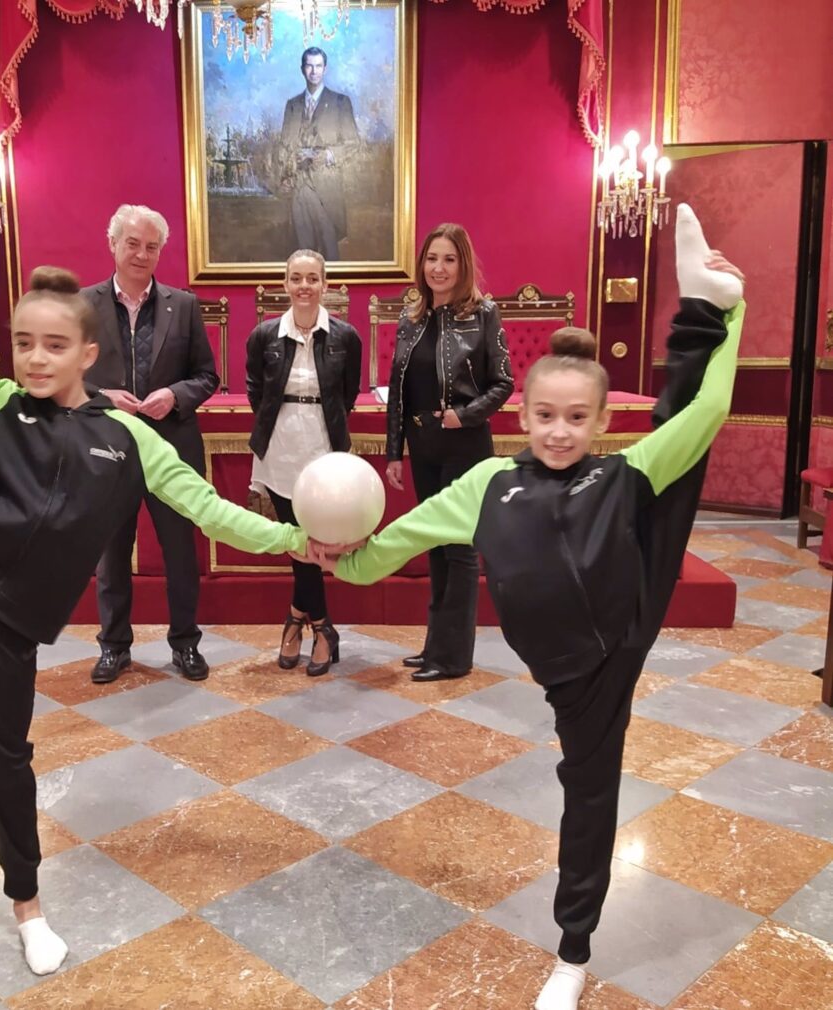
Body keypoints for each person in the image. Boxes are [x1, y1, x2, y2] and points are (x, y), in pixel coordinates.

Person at [0, 109, 309, 978]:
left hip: (11, 610)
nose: (34, 358)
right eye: (25, 342)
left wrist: (296, 537)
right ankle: (26, 905)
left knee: (14, 745)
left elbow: (212, 512)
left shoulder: (126, 437)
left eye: (52, 345)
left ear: (87, 351)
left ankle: (24, 895)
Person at [300, 204, 745, 1010]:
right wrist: (336, 557)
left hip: (616, 643)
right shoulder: (486, 485)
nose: (561, 431)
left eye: (579, 418)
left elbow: (707, 416)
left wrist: (738, 318)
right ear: (523, 415)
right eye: (545, 415)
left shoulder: (621, 472)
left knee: (590, 789)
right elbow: (387, 553)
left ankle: (572, 954)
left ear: (602, 422)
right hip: (561, 667)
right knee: (582, 777)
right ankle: (706, 302)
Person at [83, 204, 219, 685]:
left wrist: (174, 395)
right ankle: (114, 647)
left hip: (171, 450)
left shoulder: (182, 305)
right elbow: (61, 381)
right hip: (109, 450)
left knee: (182, 554)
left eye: (152, 246)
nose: (142, 254)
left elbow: (207, 376)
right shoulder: (82, 305)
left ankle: (185, 644)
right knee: (111, 555)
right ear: (113, 244)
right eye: (133, 244)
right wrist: (101, 398)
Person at [384, 223, 513, 682]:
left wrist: (467, 413)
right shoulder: (410, 317)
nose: (438, 268)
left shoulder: (484, 314)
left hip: (465, 445)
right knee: (434, 545)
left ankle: (454, 656)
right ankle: (435, 646)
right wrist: (393, 452)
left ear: (463, 264)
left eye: (449, 259)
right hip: (423, 446)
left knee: (458, 550)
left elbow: (504, 383)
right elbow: (397, 392)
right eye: (432, 259)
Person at [246, 248, 362, 675]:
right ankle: (320, 627)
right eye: (296, 278)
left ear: (325, 284)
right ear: (285, 284)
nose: (304, 286)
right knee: (299, 544)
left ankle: (302, 620)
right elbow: (257, 391)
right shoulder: (264, 335)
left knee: (312, 543)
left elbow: (347, 395)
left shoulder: (346, 336)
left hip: (323, 448)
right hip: (280, 449)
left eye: (312, 278)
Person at [279, 46, 360, 260]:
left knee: (329, 252)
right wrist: (287, 174)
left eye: (318, 66)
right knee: (301, 253)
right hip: (299, 188)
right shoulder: (292, 105)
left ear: (325, 69)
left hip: (326, 189)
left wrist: (329, 155)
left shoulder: (340, 102)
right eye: (309, 66)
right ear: (302, 69)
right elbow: (284, 146)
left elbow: (353, 143)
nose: (314, 71)